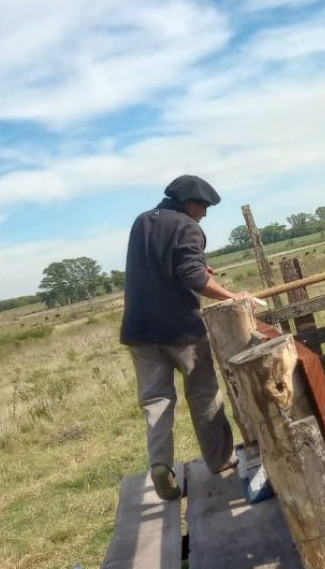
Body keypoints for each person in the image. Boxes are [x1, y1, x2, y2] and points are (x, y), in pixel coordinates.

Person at [120, 174, 248, 500]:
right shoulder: (188, 227)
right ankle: (222, 462)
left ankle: (161, 464)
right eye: (203, 205)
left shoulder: (142, 222)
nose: (204, 213)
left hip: (139, 330)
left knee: (156, 402)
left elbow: (161, 266)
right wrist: (232, 296)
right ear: (188, 201)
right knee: (204, 396)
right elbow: (191, 277)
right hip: (181, 330)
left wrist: (201, 268)